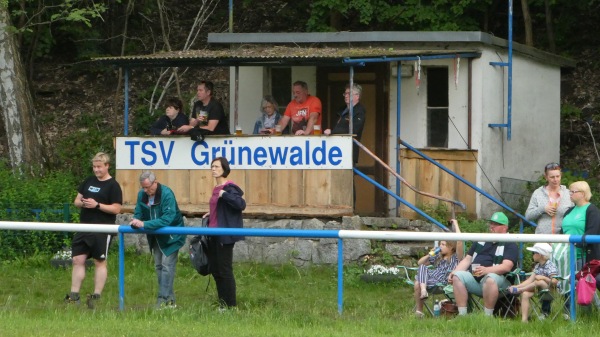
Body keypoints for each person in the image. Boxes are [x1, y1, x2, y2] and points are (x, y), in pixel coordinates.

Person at [65, 152, 123, 309]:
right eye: (94, 167)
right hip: (84, 226)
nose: (96, 170)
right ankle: (74, 295)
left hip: (102, 229)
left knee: (99, 261)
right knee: (78, 260)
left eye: (99, 167)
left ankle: (96, 296)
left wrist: (97, 205)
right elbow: (76, 201)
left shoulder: (113, 185)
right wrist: (84, 203)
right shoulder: (88, 181)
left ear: (107, 166)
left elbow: (116, 208)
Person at [130, 171, 186, 309]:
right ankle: (169, 300)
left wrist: (145, 224)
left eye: (148, 187)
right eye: (143, 187)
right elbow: (139, 212)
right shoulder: (141, 195)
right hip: (155, 236)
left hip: (172, 235)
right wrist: (136, 221)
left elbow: (168, 218)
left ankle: (163, 299)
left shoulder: (167, 194)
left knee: (167, 266)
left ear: (155, 182)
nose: (146, 190)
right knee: (159, 267)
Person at [448, 212, 519, 316]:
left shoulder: (510, 243)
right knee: (457, 276)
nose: (491, 226)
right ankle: (462, 315)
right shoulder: (481, 240)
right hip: (476, 277)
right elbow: (467, 260)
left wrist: (486, 270)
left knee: (490, 278)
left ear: (504, 228)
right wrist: (454, 272)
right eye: (491, 223)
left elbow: (506, 267)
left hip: (500, 281)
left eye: (495, 224)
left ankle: (487, 317)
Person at [203, 157, 246, 309]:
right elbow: (220, 208)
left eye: (216, 166)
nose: (213, 169)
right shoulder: (216, 188)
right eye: (212, 166)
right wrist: (211, 214)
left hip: (224, 234)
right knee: (215, 269)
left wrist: (224, 195)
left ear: (224, 169)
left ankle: (231, 305)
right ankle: (222, 304)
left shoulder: (229, 187)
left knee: (225, 269)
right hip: (213, 233)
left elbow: (241, 204)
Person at [413, 219, 463, 318]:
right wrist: (429, 255)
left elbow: (460, 241)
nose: (440, 246)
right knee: (423, 266)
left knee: (417, 283)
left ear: (451, 247)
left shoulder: (455, 257)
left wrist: (456, 224)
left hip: (441, 281)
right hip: (431, 278)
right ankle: (423, 291)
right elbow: (420, 263)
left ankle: (419, 311)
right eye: (440, 244)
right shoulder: (438, 256)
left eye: (443, 245)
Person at [506, 243, 558, 322]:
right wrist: (517, 286)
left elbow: (555, 281)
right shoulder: (537, 266)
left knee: (539, 282)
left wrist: (543, 278)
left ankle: (521, 290)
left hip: (550, 292)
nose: (532, 255)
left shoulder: (550, 265)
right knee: (525, 294)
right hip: (539, 291)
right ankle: (524, 320)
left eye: (533, 253)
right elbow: (530, 280)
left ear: (540, 255)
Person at [324, 83, 367, 164]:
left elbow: (353, 130)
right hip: (335, 151)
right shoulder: (341, 110)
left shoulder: (359, 111)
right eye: (345, 93)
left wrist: (332, 132)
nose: (346, 96)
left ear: (357, 96)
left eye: (349, 94)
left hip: (348, 152)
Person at [525, 162, 573, 234]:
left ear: (561, 175)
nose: (555, 179)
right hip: (542, 238)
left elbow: (574, 215)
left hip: (562, 239)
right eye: (552, 177)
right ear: (546, 177)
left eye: (557, 176)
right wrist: (542, 209)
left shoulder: (568, 193)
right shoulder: (538, 193)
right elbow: (528, 216)